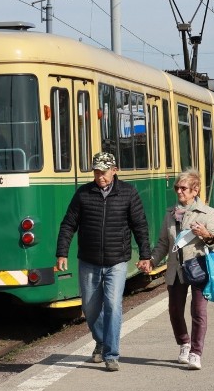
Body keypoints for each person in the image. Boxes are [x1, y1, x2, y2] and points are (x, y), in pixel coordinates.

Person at [56, 152, 152, 372]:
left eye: (104, 172)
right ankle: (100, 340)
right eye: (97, 172)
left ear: (114, 170)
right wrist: (62, 253)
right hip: (89, 261)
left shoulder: (128, 193)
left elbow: (140, 226)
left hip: (117, 261)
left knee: (113, 306)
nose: (100, 177)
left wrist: (145, 256)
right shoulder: (83, 194)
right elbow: (68, 224)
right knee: (90, 309)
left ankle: (111, 354)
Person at [151, 168, 214, 371]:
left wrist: (206, 234)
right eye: (177, 188)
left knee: (198, 311)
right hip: (176, 269)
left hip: (199, 267)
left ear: (195, 190)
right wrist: (152, 261)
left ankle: (196, 353)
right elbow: (163, 243)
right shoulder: (170, 214)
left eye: (183, 188)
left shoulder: (207, 213)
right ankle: (184, 343)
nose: (179, 192)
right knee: (174, 310)